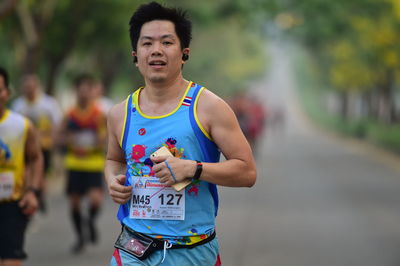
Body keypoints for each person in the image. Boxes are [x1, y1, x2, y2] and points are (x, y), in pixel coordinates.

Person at [105, 2, 256, 265]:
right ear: (135, 55)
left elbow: (247, 172)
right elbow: (114, 160)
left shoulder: (209, 107)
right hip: (133, 249)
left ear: (184, 53)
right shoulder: (120, 113)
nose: (156, 51)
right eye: (147, 43)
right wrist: (113, 180)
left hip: (192, 251)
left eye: (166, 42)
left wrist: (193, 169)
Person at [57, 74, 107, 254]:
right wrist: (67, 139)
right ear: (76, 91)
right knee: (75, 204)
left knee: (95, 200)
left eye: (87, 89)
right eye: (81, 89)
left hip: (93, 164)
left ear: (92, 91)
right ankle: (80, 238)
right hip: (74, 163)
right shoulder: (69, 114)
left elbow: (106, 137)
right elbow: (59, 136)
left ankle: (91, 221)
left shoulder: (99, 114)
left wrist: (98, 142)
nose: (84, 93)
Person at [0, 67, 43, 265]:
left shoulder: (21, 125)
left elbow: (35, 158)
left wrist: (32, 191)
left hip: (12, 204)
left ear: (7, 93)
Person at [11, 74, 62, 213]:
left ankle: (38, 193)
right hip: (23, 147)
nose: (29, 90)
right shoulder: (18, 105)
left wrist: (53, 140)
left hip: (44, 145)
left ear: (37, 86)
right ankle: (33, 193)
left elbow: (57, 123)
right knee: (27, 171)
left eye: (31, 86)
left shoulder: (48, 104)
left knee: (42, 173)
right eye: (26, 87)